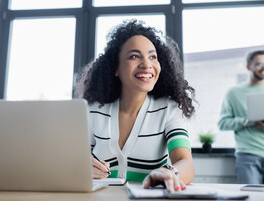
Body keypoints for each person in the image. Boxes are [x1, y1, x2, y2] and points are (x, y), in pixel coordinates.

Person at [74, 19, 195, 192]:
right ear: (115, 68)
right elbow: (75, 160)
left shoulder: (168, 109)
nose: (147, 64)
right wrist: (81, 167)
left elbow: (186, 163)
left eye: (153, 56)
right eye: (134, 56)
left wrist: (169, 173)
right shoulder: (94, 110)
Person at [218, 50, 264, 185]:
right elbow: (223, 124)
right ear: (248, 67)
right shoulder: (233, 93)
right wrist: (247, 121)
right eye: (259, 64)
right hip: (247, 155)